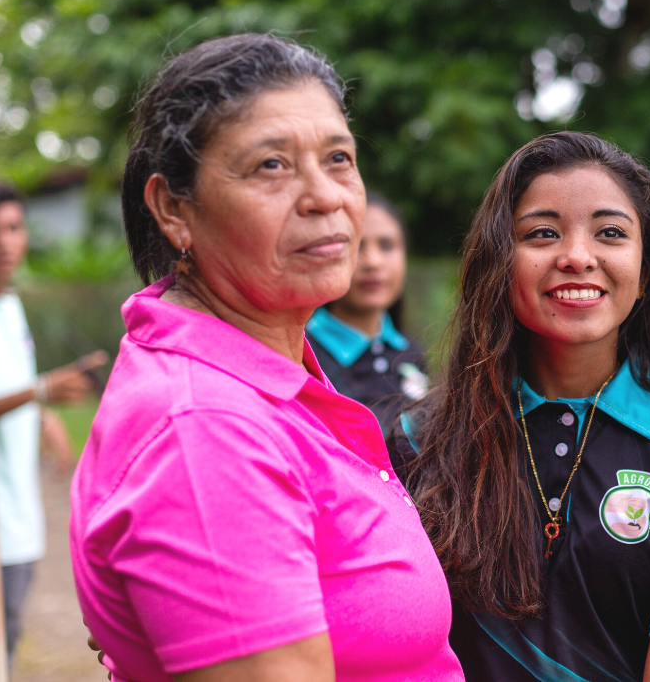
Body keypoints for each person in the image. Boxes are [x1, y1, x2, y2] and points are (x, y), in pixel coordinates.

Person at [69, 34, 463, 682]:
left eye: (338, 158)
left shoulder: (268, 373)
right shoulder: (206, 429)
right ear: (173, 208)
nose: (324, 196)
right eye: (270, 166)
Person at [391, 131, 650, 682]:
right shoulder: (418, 440)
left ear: (646, 273)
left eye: (610, 233)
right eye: (542, 233)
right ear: (499, 262)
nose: (576, 257)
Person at [0, 180, 107, 664]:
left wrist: (39, 412)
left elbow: (3, 387)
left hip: (20, 517)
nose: (4, 242)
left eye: (14, 228)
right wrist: (41, 392)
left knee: (5, 645)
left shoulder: (8, 306)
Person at [306, 191, 429, 431]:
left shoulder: (410, 351)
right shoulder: (303, 355)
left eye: (387, 245)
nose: (372, 262)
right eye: (355, 245)